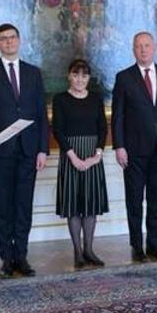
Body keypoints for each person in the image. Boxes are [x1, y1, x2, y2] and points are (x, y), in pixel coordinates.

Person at [0, 23, 49, 279]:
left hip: (29, 150)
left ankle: (22, 257)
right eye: (3, 39)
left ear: (19, 40)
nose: (9, 42)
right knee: (4, 207)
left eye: (12, 37)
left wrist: (42, 149)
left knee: (23, 207)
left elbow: (41, 114)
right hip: (0, 154)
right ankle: (6, 258)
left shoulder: (33, 73)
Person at [111, 31, 157, 263]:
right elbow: (118, 116)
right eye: (138, 46)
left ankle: (154, 245)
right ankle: (137, 247)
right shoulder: (124, 78)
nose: (143, 49)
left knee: (156, 201)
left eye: (146, 45)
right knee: (134, 201)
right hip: (134, 151)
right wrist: (119, 146)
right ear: (133, 50)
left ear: (155, 48)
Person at [51, 58, 109, 269]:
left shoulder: (96, 99)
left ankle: (89, 250)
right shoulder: (60, 99)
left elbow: (102, 128)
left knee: (91, 206)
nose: (80, 79)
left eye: (84, 75)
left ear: (89, 78)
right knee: (73, 207)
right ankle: (77, 252)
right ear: (69, 76)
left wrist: (98, 154)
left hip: (93, 155)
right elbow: (58, 130)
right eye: (75, 74)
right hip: (71, 156)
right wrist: (73, 157)